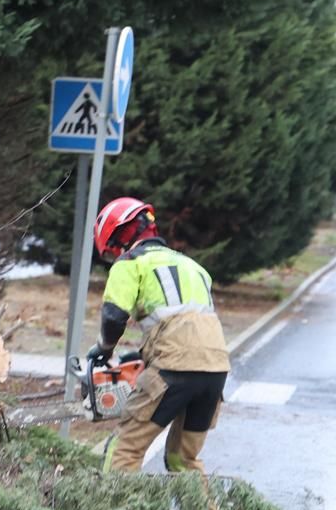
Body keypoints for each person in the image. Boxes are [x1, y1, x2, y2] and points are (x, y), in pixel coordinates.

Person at [85, 196, 229, 473]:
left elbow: (114, 317)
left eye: (114, 249)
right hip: (216, 371)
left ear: (119, 238)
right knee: (183, 460)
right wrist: (141, 356)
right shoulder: (193, 266)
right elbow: (185, 325)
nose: (115, 255)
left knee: (124, 449)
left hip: (174, 368)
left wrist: (103, 349)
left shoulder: (130, 264)